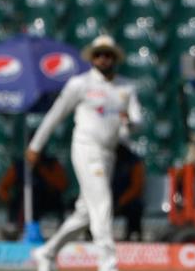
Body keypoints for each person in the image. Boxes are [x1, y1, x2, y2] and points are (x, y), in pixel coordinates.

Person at [25, 35, 142, 271]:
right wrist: (36, 145)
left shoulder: (125, 87)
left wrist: (129, 122)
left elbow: (138, 122)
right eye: (98, 54)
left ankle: (47, 252)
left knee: (86, 213)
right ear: (92, 57)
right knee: (102, 202)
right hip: (85, 148)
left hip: (108, 153)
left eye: (107, 54)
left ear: (114, 58)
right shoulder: (80, 84)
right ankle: (107, 262)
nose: (103, 58)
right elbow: (55, 115)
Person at [0, 153, 67, 240]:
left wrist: (42, 169)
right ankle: (15, 229)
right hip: (23, 204)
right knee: (25, 198)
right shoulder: (19, 166)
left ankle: (61, 232)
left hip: (47, 201)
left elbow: (62, 185)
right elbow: (2, 188)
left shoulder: (51, 164)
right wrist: (10, 201)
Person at [112, 143, 145, 242]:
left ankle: (134, 233)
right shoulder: (106, 157)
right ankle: (92, 234)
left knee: (135, 206)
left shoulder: (133, 161)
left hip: (125, 200)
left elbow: (136, 187)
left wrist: (121, 201)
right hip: (109, 198)